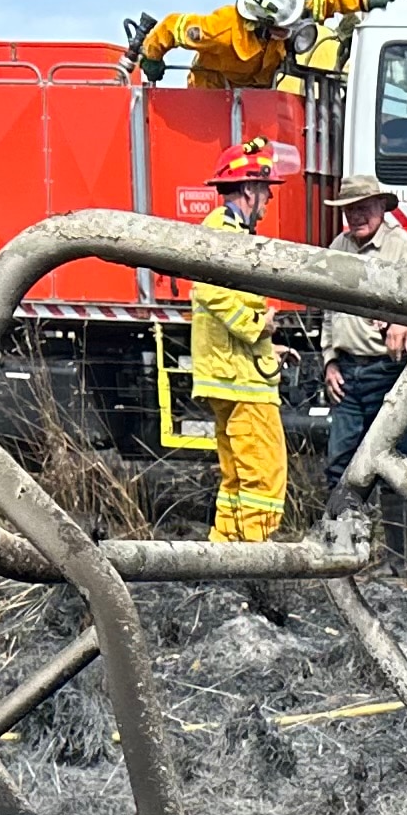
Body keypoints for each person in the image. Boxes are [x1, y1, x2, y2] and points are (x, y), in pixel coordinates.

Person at [188, 146, 287, 543]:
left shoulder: (228, 230)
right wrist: (256, 326)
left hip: (234, 371)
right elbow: (210, 288)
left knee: (236, 477)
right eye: (266, 189)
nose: (269, 199)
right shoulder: (223, 231)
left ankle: (226, 551)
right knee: (264, 472)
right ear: (249, 188)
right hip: (240, 378)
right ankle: (255, 558)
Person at [317, 173, 407, 517]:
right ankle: (342, 549)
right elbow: (329, 310)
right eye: (350, 210)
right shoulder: (338, 247)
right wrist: (329, 360)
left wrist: (404, 322)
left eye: (363, 208)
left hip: (388, 371)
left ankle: (401, 559)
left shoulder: (402, 246)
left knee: (395, 467)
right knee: (339, 466)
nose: (356, 217)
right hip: (346, 373)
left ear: (380, 207)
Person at [129, 0, 393, 91]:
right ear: (259, 25)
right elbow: (172, 26)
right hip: (210, 94)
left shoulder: (289, 4)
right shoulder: (221, 30)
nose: (291, 32)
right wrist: (152, 57)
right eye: (283, 29)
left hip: (257, 93)